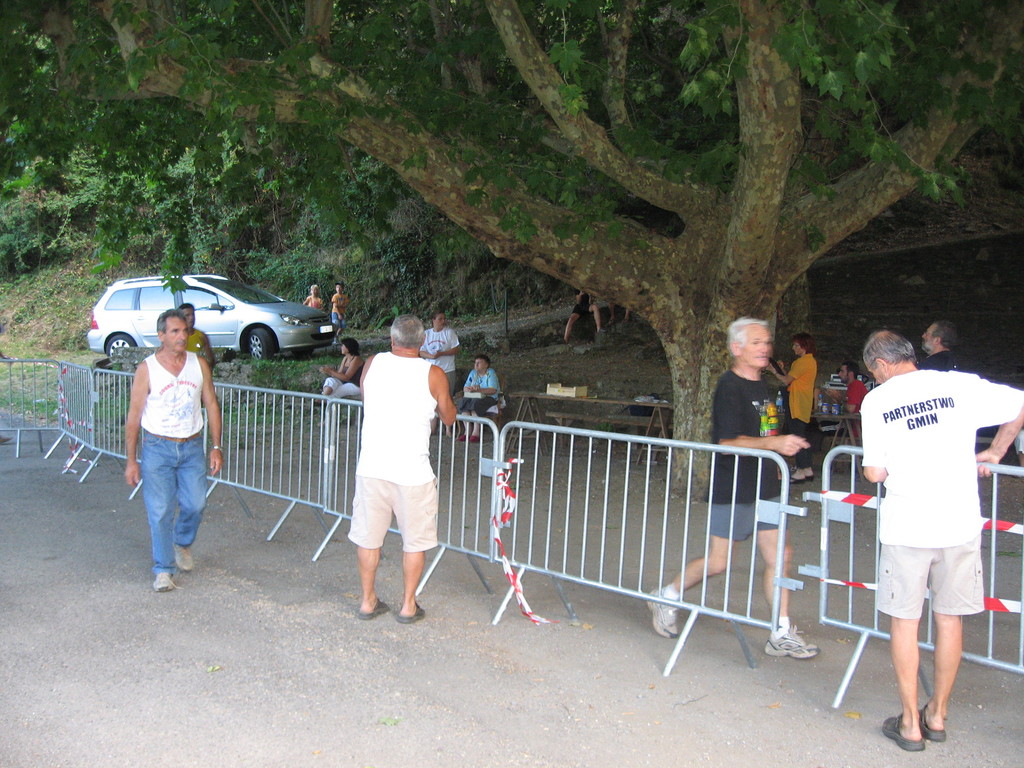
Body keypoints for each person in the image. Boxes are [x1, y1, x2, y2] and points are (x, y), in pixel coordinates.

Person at [860, 330, 1024, 752]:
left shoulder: (877, 401)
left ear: (880, 366)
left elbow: (875, 473)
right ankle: (938, 713)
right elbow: (1019, 402)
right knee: (949, 619)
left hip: (907, 525)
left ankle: (911, 723)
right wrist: (997, 451)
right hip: (959, 521)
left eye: (872, 373)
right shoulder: (957, 383)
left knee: (905, 621)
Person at [647, 318, 819, 659]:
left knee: (780, 556)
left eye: (767, 342)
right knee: (718, 562)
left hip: (766, 485)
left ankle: (781, 631)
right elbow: (727, 442)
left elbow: (767, 432)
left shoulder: (761, 386)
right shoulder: (729, 386)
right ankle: (665, 596)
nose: (765, 348)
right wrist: (775, 445)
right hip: (734, 486)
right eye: (756, 342)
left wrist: (778, 460)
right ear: (736, 348)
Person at [349, 314, 457, 624]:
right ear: (423, 341)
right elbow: (449, 417)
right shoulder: (433, 373)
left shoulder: (373, 363)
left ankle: (368, 600)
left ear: (392, 339)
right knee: (415, 541)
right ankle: (408, 605)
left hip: (372, 465)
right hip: (413, 471)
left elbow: (367, 396)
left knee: (369, 537)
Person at [124, 309, 223, 593]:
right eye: (175, 332)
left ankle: (182, 542)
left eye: (184, 331)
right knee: (160, 510)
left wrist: (216, 447)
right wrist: (131, 460)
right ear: (161, 336)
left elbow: (212, 405)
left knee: (195, 504)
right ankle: (163, 569)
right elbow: (134, 416)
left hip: (191, 446)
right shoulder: (147, 369)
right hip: (157, 447)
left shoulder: (199, 364)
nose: (182, 336)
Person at [770, 333, 818, 482]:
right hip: (802, 402)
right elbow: (793, 379)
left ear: (804, 346)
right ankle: (807, 469)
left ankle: (801, 470)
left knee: (796, 437)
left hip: (795, 403)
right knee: (800, 434)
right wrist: (782, 370)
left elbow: (786, 381)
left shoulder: (802, 362)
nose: (793, 348)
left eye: (796, 345)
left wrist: (774, 371)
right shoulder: (810, 361)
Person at [456, 354, 500, 443]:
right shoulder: (473, 373)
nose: (476, 365)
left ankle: (476, 432)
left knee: (475, 404)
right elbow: (465, 388)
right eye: (475, 363)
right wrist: (470, 389)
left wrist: (479, 390)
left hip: (489, 398)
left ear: (486, 365)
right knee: (463, 402)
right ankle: (467, 430)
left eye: (479, 363)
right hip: (474, 396)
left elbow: (493, 390)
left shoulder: (490, 373)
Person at [419, 310, 460, 395]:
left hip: (447, 369)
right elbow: (421, 351)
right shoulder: (426, 334)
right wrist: (431, 356)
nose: (443, 321)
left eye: (444, 319)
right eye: (440, 319)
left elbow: (456, 349)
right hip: (431, 370)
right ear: (433, 320)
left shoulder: (449, 332)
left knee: (447, 396)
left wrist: (441, 353)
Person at [178, 302, 216, 367]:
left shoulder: (201, 336)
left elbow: (210, 359)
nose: (192, 318)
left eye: (193, 314)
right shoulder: (175, 337)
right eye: (187, 315)